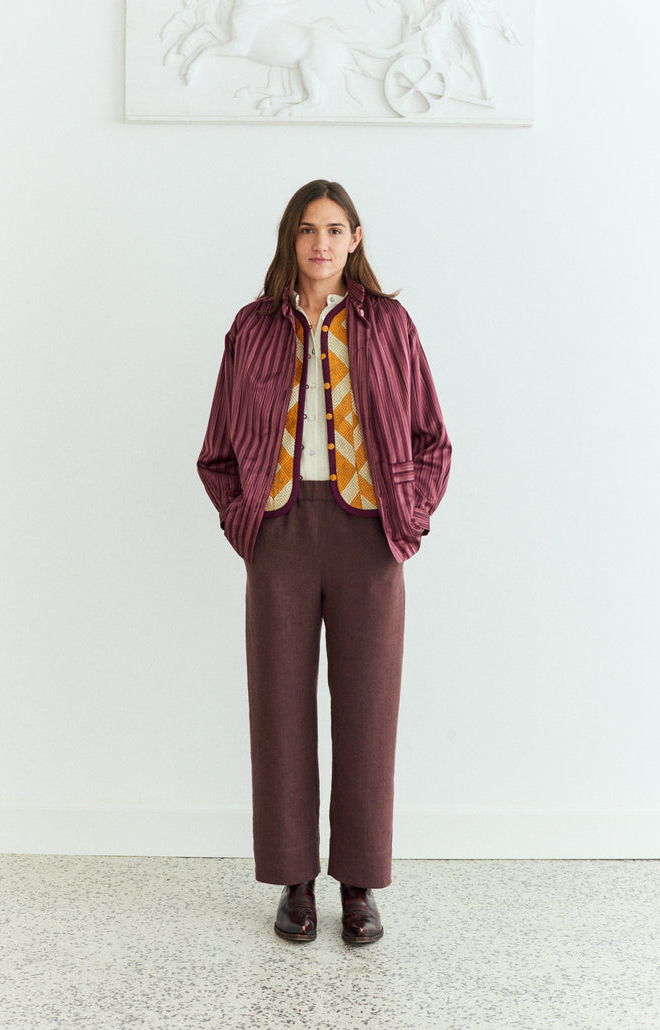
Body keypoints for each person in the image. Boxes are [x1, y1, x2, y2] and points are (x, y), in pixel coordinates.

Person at [198, 179, 451, 944]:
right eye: (308, 229)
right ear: (292, 239)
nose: (321, 243)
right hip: (279, 531)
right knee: (279, 709)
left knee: (369, 711)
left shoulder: (390, 325)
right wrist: (247, 524)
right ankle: (295, 881)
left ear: (356, 239)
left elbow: (432, 439)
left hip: (369, 534)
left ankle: (361, 885)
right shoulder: (253, 328)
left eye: (335, 229)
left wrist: (408, 519)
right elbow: (217, 451)